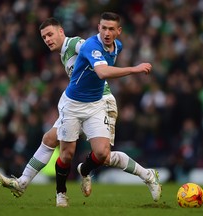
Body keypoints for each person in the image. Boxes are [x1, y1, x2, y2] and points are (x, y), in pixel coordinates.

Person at [0, 16, 161, 207]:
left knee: (102, 155)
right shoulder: (64, 53)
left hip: (101, 102)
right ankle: (33, 186)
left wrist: (133, 69)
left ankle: (142, 174)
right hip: (73, 104)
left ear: (61, 32)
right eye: (44, 37)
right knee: (58, 146)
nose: (48, 39)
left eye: (50, 34)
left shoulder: (77, 43)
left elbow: (95, 58)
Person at [54, 12, 161, 207]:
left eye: (111, 29)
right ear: (98, 28)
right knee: (66, 155)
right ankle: (61, 193)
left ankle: (85, 171)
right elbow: (102, 72)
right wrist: (135, 69)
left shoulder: (116, 47)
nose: (107, 33)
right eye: (103, 28)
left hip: (95, 105)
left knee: (103, 153)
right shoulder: (91, 46)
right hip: (72, 104)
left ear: (118, 31)